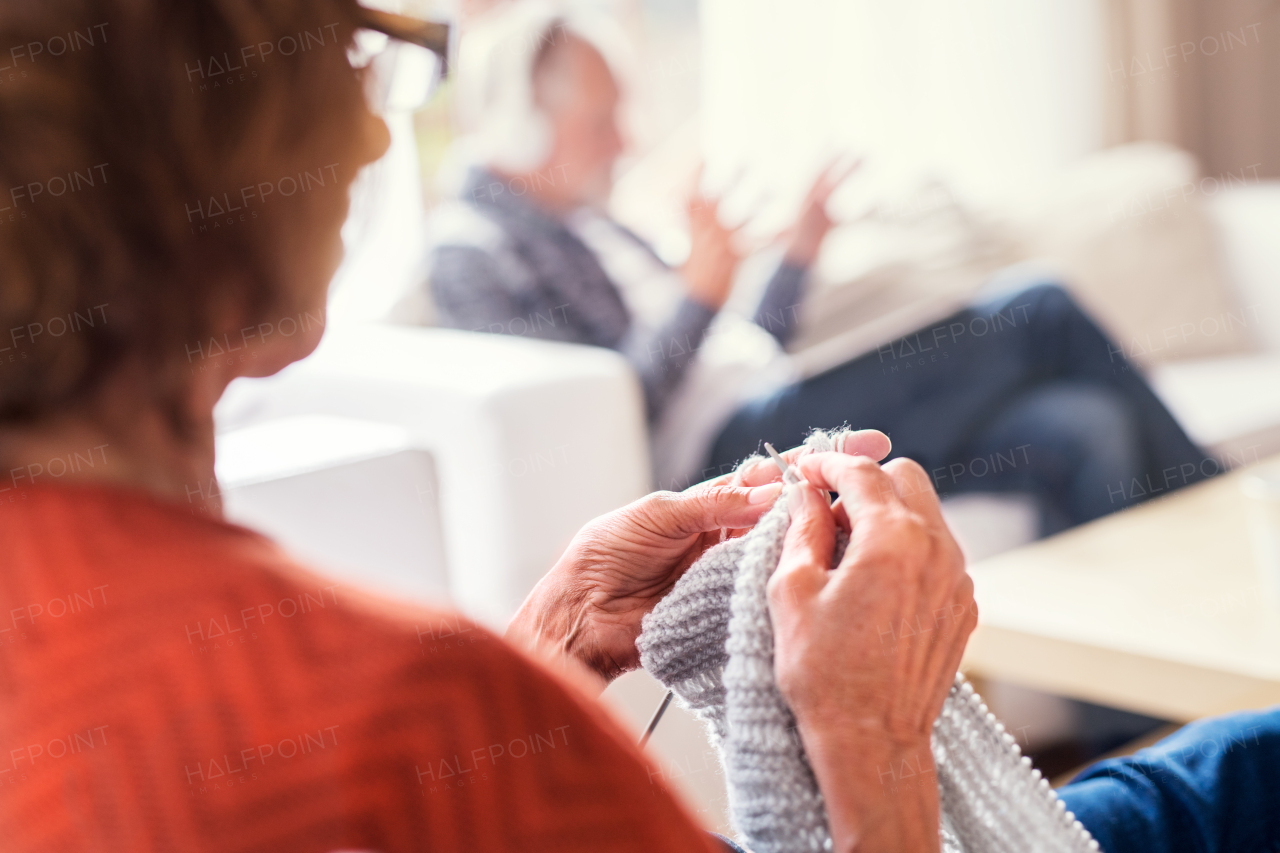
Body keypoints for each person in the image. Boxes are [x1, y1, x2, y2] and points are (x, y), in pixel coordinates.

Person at [1, 3, 1276, 853]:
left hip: (742, 394)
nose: (382, 126)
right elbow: (634, 381)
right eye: (349, 64)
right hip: (712, 424)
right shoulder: (401, 703)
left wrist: (551, 637)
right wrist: (867, 738)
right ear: (218, 165)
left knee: (1067, 434)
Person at [420, 6, 1215, 536]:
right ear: (523, 128)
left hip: (762, 406)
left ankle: (1132, 742)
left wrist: (792, 258)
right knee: (1039, 307)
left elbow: (739, 351)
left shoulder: (596, 223)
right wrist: (698, 294)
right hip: (720, 461)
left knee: (1087, 426)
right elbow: (603, 413)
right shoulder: (475, 251)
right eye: (600, 121)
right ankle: (1229, 520)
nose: (622, 142)